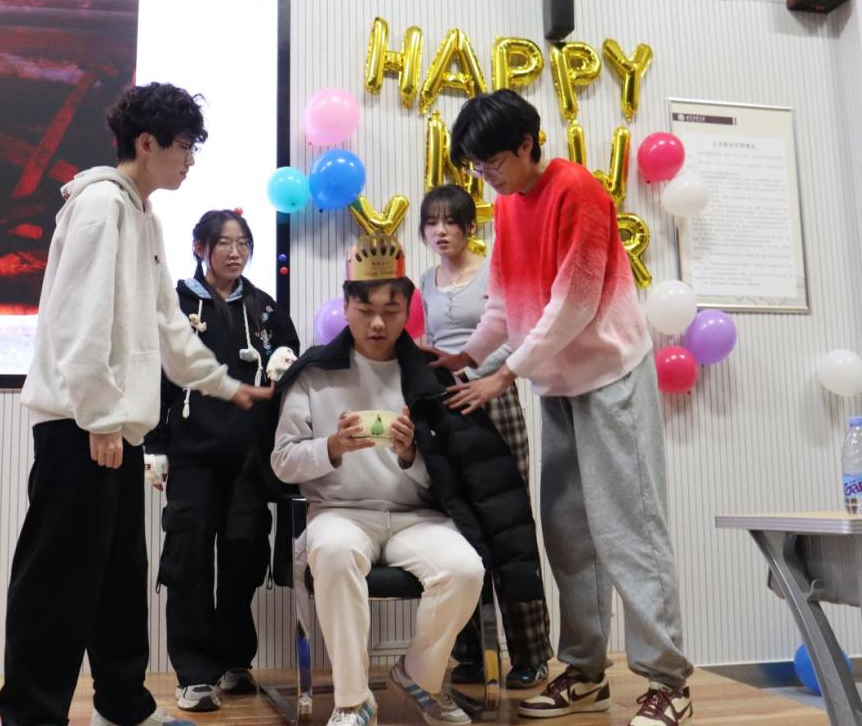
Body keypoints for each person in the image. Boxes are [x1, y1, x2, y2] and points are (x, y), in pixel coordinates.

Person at [0, 83, 271, 726]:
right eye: (184, 147)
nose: (190, 160)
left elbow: (167, 323)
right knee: (59, 577)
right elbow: (78, 318)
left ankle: (123, 707)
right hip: (81, 425)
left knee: (120, 575)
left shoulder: (143, 214)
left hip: (117, 425)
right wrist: (97, 415)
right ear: (146, 143)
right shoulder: (100, 205)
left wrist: (224, 384)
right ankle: (31, 716)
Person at [431, 88, 693, 726]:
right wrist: (468, 355)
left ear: (527, 144)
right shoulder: (507, 203)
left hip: (610, 376)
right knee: (569, 534)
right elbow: (504, 304)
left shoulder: (578, 191)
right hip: (557, 387)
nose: (486, 177)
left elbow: (575, 303)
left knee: (630, 529)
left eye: (493, 163)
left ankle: (668, 683)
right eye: (477, 168)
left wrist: (504, 374)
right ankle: (584, 671)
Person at [270, 233, 545, 726]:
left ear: (408, 310)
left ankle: (418, 675)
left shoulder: (429, 375)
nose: (378, 323)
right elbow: (283, 462)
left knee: (465, 569)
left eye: (391, 310)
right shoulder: (314, 374)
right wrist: (332, 447)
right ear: (345, 306)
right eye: (365, 309)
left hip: (417, 516)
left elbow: (453, 476)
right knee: (334, 552)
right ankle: (353, 701)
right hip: (339, 513)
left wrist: (411, 454)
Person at [143, 209, 299, 713]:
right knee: (188, 559)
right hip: (192, 455)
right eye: (225, 243)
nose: (236, 253)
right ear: (200, 247)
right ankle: (194, 674)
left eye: (243, 243)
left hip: (249, 458)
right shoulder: (176, 303)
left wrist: (286, 358)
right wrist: (155, 446)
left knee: (243, 555)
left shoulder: (264, 307)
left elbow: (289, 359)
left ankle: (234, 659)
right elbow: (158, 376)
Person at [417, 183, 553, 690]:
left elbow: (518, 334)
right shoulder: (425, 281)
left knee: (510, 529)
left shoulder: (495, 269)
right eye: (432, 223)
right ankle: (473, 652)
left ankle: (531, 653)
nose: (441, 231)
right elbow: (432, 343)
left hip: (493, 399)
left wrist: (477, 377)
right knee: (460, 528)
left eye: (450, 222)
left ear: (470, 227)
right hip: (447, 409)